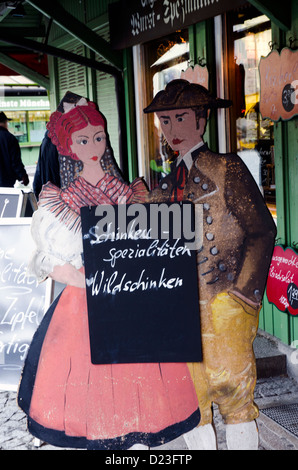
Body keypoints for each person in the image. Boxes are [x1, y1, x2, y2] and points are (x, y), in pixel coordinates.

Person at [17, 94, 200, 450]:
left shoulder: (130, 193)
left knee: (142, 397)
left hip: (130, 299)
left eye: (99, 137)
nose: (93, 146)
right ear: (69, 146)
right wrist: (69, 273)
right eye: (83, 140)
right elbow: (41, 257)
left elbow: (153, 246)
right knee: (94, 396)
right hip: (83, 306)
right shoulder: (60, 200)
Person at [144, 79, 277, 450]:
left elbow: (262, 231)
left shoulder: (227, 168)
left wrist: (243, 298)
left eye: (180, 118)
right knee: (191, 398)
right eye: (165, 121)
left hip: (224, 305)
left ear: (201, 122)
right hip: (179, 310)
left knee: (235, 397)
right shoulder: (165, 184)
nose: (172, 130)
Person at [0, 111, 29, 187]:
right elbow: (15, 161)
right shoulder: (10, 138)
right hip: (6, 182)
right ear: (5, 122)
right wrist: (22, 175)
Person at [33, 130, 60, 200]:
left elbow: (39, 172)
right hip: (63, 198)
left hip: (47, 196)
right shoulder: (67, 143)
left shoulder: (45, 141)